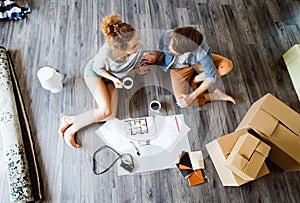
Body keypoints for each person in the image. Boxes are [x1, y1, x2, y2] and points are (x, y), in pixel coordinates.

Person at [58, 15, 149, 149]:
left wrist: (137, 69)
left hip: (113, 78)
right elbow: (97, 68)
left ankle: (70, 119)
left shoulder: (135, 50)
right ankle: (71, 131)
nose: (139, 46)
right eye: (135, 45)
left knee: (110, 115)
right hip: (95, 74)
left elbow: (132, 63)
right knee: (104, 110)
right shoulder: (105, 53)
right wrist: (114, 79)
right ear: (121, 49)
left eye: (137, 40)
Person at [142, 26, 235, 108]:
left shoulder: (202, 54)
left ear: (187, 52)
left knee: (227, 65)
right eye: (170, 45)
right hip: (179, 69)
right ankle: (210, 91)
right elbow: (160, 48)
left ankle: (200, 82)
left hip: (195, 64)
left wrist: (192, 96)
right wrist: (155, 58)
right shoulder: (168, 35)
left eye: (172, 50)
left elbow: (211, 78)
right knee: (181, 102)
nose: (168, 49)